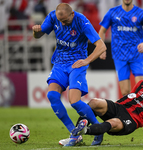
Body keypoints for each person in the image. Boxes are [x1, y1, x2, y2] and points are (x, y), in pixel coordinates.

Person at [32, 3, 107, 146]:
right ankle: (74, 134)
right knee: (52, 95)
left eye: (66, 21)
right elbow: (39, 34)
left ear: (72, 14)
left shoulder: (82, 21)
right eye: (61, 21)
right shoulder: (53, 17)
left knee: (74, 102)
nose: (63, 24)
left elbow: (101, 46)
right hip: (59, 63)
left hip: (76, 65)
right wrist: (36, 31)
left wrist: (87, 60)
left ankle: (98, 129)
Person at [72, 67, 143, 146]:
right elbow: (129, 97)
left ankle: (86, 130)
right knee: (94, 102)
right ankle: (76, 137)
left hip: (132, 120)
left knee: (112, 123)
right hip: (120, 107)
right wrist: (111, 105)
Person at [98, 0, 143, 132]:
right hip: (119, 57)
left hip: (136, 56)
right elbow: (101, 31)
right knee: (125, 92)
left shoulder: (140, 13)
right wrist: (102, 48)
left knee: (141, 88)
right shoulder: (112, 13)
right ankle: (128, 118)